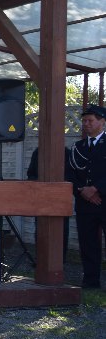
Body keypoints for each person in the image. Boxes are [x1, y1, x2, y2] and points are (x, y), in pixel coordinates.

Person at [69, 104, 106, 289]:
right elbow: (70, 174)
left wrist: (97, 188)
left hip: (104, 201)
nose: (86, 124)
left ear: (102, 122)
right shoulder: (78, 147)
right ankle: (91, 281)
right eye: (84, 121)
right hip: (85, 203)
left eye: (90, 120)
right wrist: (83, 191)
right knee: (88, 244)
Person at [27, 145, 72, 261]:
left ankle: (60, 259)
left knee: (61, 229)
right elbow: (31, 174)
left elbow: (71, 175)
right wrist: (39, 186)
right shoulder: (38, 152)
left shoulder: (67, 153)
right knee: (41, 228)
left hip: (60, 199)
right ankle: (41, 258)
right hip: (42, 198)